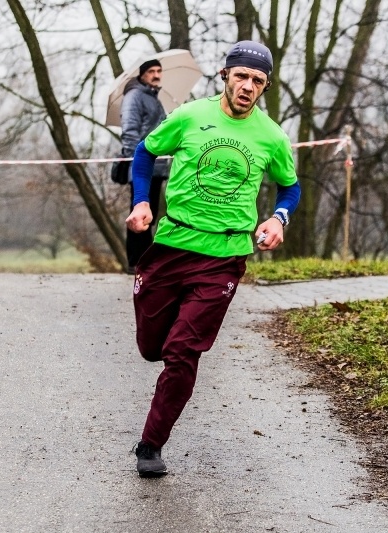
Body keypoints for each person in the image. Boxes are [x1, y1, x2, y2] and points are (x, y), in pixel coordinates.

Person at [125, 40, 301, 477]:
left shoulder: (271, 136)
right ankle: (158, 350)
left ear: (265, 87)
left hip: (224, 256)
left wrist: (279, 218)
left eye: (257, 81)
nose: (248, 86)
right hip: (171, 245)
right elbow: (145, 152)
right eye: (241, 76)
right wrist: (142, 201)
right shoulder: (190, 116)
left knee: (183, 353)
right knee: (153, 346)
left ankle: (151, 444)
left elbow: (290, 186)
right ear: (226, 76)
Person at [114, 58, 170, 273]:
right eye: (151, 71)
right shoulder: (135, 96)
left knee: (150, 213)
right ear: (142, 75)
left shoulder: (153, 98)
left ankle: (144, 262)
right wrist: (134, 161)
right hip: (142, 166)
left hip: (157, 167)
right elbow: (129, 130)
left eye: (159, 71)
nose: (156, 75)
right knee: (140, 212)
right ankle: (136, 262)